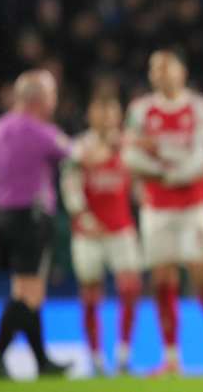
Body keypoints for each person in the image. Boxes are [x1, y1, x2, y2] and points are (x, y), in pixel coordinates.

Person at [121, 49, 203, 375]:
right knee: (163, 279)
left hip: (194, 207)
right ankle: (171, 356)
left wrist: (165, 163)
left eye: (167, 68)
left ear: (182, 71)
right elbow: (129, 156)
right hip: (156, 208)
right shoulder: (140, 111)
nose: (161, 74)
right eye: (155, 69)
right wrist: (168, 167)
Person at [0, 70, 72, 378]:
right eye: (51, 95)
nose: (54, 100)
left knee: (23, 286)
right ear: (40, 99)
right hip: (32, 218)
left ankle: (41, 360)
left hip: (2, 217)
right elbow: (74, 153)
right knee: (30, 293)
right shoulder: (41, 132)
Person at [61, 95, 142, 375]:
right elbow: (69, 185)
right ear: (90, 115)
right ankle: (95, 358)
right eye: (101, 110)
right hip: (88, 233)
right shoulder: (78, 148)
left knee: (130, 290)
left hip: (121, 230)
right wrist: (82, 215)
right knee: (91, 296)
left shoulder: (129, 146)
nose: (107, 116)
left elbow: (138, 184)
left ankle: (123, 355)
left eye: (112, 110)